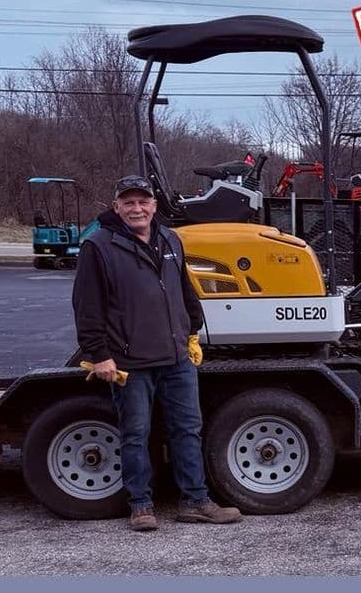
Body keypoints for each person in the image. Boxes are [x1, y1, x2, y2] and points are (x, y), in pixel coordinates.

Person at [72, 174, 242, 531]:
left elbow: (184, 289)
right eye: (129, 202)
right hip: (130, 362)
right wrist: (99, 354)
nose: (137, 209)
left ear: (153, 205)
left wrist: (192, 332)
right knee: (135, 433)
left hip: (177, 358)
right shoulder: (99, 246)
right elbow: (87, 307)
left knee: (188, 430)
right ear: (116, 206)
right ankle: (140, 505)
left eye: (143, 202)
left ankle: (195, 501)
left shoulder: (170, 239)